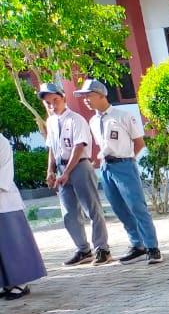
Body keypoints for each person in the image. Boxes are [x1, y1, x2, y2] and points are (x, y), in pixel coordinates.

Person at [75, 79, 163, 265]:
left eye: (88, 96)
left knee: (137, 207)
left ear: (101, 95)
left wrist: (126, 159)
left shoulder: (123, 116)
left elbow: (139, 143)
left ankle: (152, 247)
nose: (86, 100)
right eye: (83, 97)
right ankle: (137, 245)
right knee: (119, 208)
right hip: (106, 167)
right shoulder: (92, 121)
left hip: (124, 165)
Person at [40, 82, 111, 266]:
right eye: (48, 103)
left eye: (55, 100)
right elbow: (52, 149)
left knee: (92, 208)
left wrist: (67, 172)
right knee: (69, 213)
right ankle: (83, 249)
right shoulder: (51, 121)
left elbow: (79, 147)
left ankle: (102, 248)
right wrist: (51, 170)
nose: (52, 105)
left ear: (63, 97)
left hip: (79, 166)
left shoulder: (76, 119)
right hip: (62, 170)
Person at [0, 137, 46, 300]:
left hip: (4, 201)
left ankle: (22, 283)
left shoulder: (1, 141)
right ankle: (6, 282)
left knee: (14, 243)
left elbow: (4, 171)